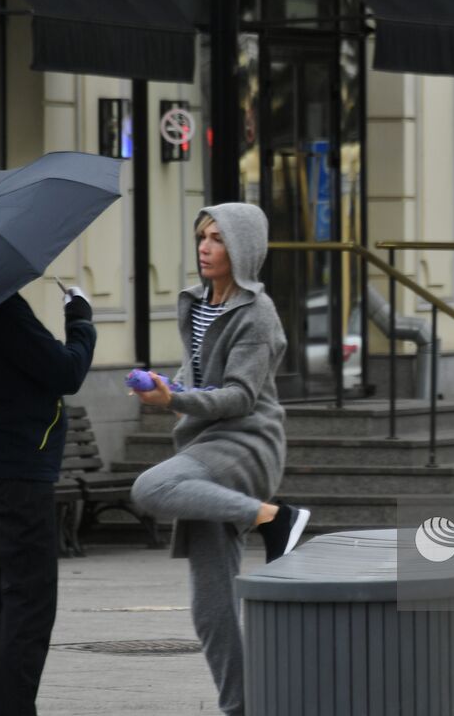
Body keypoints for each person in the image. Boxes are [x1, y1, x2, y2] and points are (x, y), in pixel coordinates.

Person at [130, 203, 309, 716]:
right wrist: (167, 384)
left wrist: (174, 401)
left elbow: (239, 397)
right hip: (203, 445)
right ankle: (243, 708)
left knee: (149, 487)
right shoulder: (198, 301)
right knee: (211, 608)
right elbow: (199, 372)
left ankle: (276, 517)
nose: (205, 247)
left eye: (218, 239)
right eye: (202, 237)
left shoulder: (259, 314)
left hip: (247, 443)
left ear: (244, 248)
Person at [0, 286, 96, 716]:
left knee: (9, 598)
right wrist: (80, 321)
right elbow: (66, 371)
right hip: (16, 469)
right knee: (30, 605)